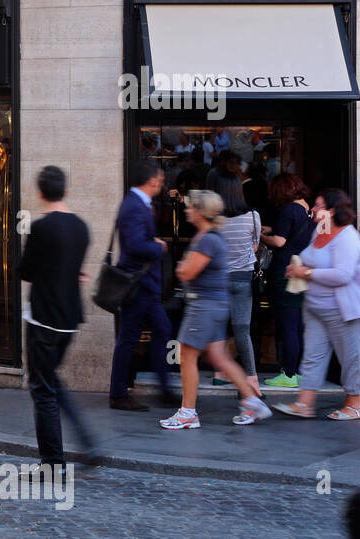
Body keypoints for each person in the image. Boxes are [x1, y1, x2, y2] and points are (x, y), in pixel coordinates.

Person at [159, 191, 271, 429]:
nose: (187, 210)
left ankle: (188, 412)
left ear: (200, 212)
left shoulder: (208, 239)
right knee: (220, 357)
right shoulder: (210, 236)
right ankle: (252, 402)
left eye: (190, 207)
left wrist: (182, 265)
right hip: (214, 304)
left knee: (188, 357)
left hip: (204, 305)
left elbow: (186, 273)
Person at [16, 167, 100, 471]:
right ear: (65, 190)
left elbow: (25, 271)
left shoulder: (42, 228)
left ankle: (52, 463)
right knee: (51, 381)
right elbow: (73, 267)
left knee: (42, 389)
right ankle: (89, 442)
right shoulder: (81, 227)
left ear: (40, 193)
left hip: (44, 319)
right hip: (69, 318)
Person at [275, 189, 360, 421]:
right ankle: (304, 403)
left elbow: (343, 275)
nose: (312, 209)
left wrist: (305, 272)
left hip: (344, 309)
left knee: (351, 357)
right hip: (317, 307)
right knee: (313, 356)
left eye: (318, 206)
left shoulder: (347, 237)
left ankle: (354, 405)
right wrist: (296, 268)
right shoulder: (320, 230)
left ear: (332, 211)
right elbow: (311, 257)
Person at [108, 160, 174, 410]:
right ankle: (118, 393)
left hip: (144, 285)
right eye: (159, 179)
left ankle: (163, 389)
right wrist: (159, 246)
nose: (161, 183)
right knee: (129, 338)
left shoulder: (138, 204)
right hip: (138, 285)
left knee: (161, 329)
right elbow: (135, 245)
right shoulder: (135, 206)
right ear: (151, 181)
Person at [205, 170, 261, 393]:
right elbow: (255, 247)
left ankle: (220, 373)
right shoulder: (253, 216)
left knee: (218, 328)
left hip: (218, 280)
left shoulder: (212, 220)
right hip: (242, 280)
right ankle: (252, 380)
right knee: (241, 330)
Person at [261, 174, 312, 388]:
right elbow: (293, 232)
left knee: (287, 325)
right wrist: (273, 229)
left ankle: (288, 374)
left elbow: (280, 242)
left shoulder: (288, 209)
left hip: (285, 271)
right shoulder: (306, 208)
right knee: (297, 324)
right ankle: (297, 371)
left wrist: (260, 236)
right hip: (301, 268)